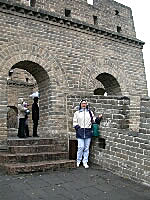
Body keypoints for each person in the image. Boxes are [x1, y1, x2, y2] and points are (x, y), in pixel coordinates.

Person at [73, 99, 102, 168]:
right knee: (80, 147)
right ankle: (78, 161)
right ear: (80, 104)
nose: (84, 104)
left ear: (87, 104)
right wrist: (78, 128)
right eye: (82, 103)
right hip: (80, 131)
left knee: (86, 148)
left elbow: (93, 120)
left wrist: (98, 118)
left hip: (88, 131)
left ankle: (85, 162)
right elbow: (74, 122)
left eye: (85, 103)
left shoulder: (90, 112)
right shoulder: (77, 113)